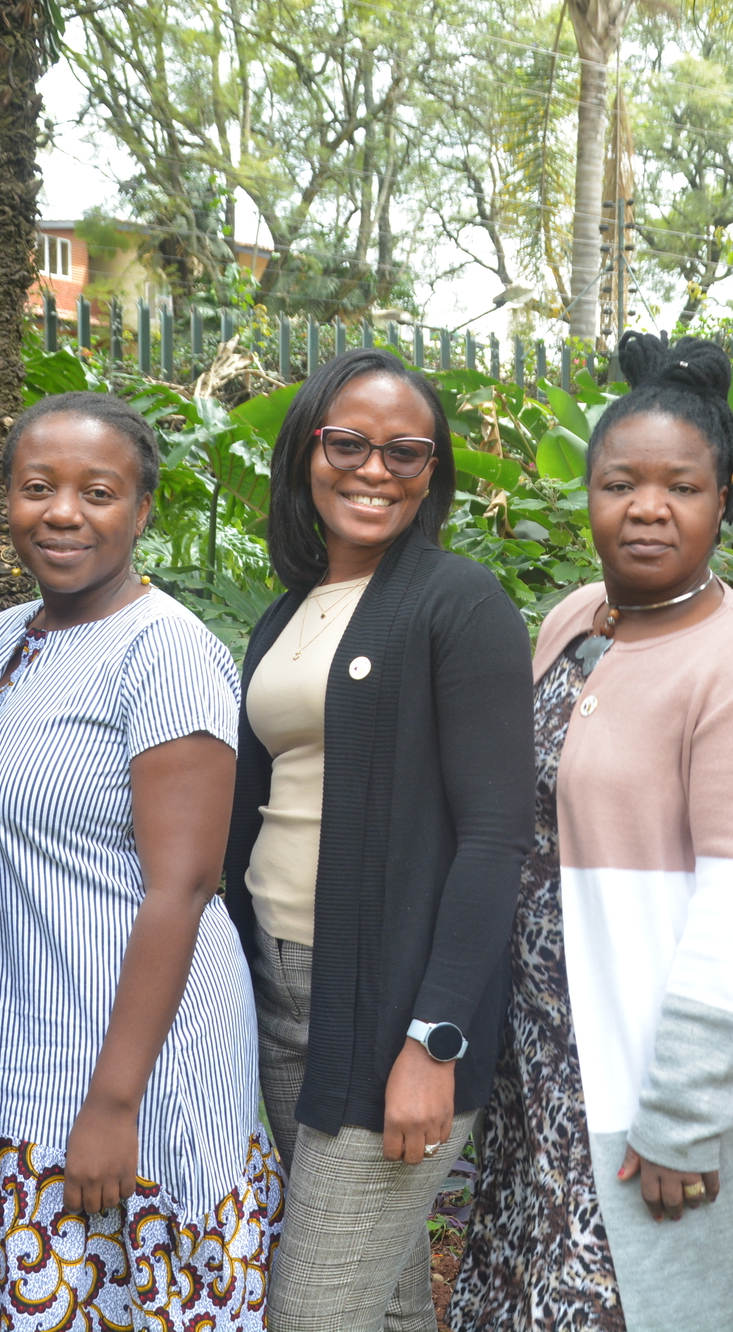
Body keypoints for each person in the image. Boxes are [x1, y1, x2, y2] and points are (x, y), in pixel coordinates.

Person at [450, 333, 733, 1332]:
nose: (648, 506)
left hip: (649, 1087)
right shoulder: (575, 619)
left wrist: (680, 1119)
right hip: (544, 1071)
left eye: (682, 486)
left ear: (725, 497)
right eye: (621, 482)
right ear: (587, 493)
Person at [0, 392, 281, 1330]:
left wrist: (113, 1101)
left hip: (144, 1054)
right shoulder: (2, 639)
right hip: (37, 1029)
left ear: (141, 511)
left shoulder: (163, 651)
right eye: (37, 487)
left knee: (146, 1300)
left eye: (99, 492)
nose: (64, 512)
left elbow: (183, 887)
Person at [222, 347, 532, 1332]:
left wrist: (431, 1039)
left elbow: (494, 834)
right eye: (347, 442)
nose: (374, 469)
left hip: (390, 1003)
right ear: (304, 450)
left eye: (406, 451)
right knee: (386, 1301)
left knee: (312, 1310)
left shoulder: (456, 601)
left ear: (431, 473)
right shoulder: (286, 613)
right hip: (280, 986)